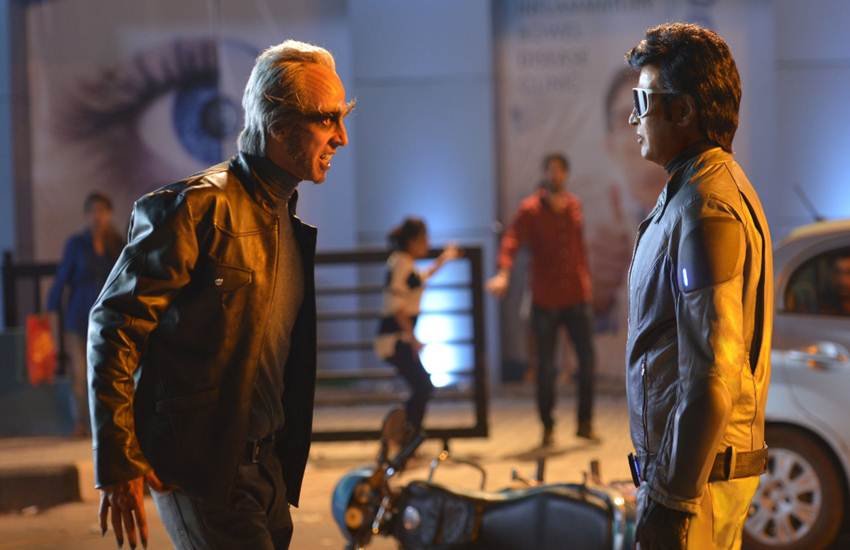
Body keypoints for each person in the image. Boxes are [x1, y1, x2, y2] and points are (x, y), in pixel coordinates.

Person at [87, 39, 352, 549]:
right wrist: (119, 458)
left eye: (344, 116)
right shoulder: (193, 209)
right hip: (202, 472)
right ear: (278, 125)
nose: (341, 136)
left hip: (266, 470)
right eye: (327, 119)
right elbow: (114, 326)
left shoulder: (283, 217)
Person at [623, 23, 773, 549]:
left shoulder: (706, 207)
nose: (633, 118)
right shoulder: (697, 190)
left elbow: (712, 371)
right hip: (696, 478)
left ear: (683, 111)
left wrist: (672, 500)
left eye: (642, 101)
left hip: (697, 487)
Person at [487, 153, 597, 447]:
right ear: (545, 173)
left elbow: (579, 249)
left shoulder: (574, 205)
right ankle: (547, 425)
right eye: (551, 170)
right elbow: (511, 241)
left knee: (587, 361)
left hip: (575, 295)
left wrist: (587, 282)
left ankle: (585, 423)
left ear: (566, 174)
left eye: (560, 170)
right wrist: (503, 273)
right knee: (545, 367)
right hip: (545, 298)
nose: (556, 175)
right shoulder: (531, 209)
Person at [374, 218, 460, 440]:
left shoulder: (402, 262)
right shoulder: (401, 263)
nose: (427, 243)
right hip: (395, 338)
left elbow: (420, 278)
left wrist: (444, 258)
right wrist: (413, 339)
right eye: (424, 238)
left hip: (396, 337)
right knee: (423, 386)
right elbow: (397, 307)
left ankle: (406, 434)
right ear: (413, 241)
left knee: (422, 386)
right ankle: (406, 436)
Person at [46, 192, 123, 437]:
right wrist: (49, 309)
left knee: (106, 372)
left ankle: (104, 423)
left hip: (107, 320)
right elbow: (62, 279)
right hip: (78, 318)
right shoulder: (76, 244)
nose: (97, 216)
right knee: (79, 374)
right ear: (86, 215)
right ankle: (80, 422)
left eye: (102, 211)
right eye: (92, 211)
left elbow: (125, 279)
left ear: (109, 214)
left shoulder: (117, 244)